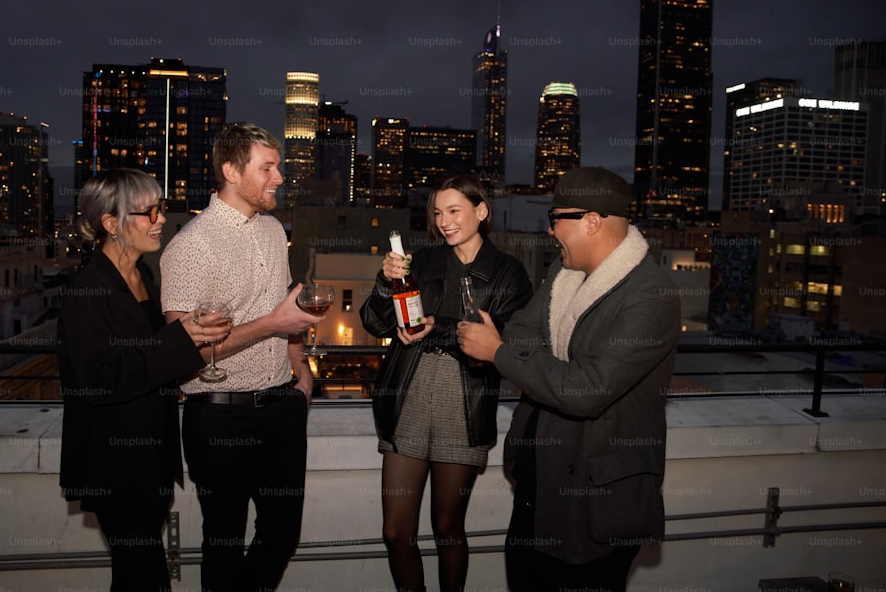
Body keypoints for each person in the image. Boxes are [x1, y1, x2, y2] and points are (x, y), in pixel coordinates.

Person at [457, 166, 681, 591]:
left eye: (556, 217)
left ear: (591, 222)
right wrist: (552, 367)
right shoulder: (563, 276)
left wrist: (500, 353)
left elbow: (585, 390)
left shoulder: (651, 295)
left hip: (595, 502)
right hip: (537, 486)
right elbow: (524, 329)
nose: (549, 230)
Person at [160, 123, 322, 592]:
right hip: (219, 417)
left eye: (278, 166)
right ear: (231, 170)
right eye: (267, 167)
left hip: (282, 409)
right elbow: (183, 354)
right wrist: (272, 325)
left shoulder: (273, 230)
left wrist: (301, 370)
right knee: (224, 541)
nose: (280, 177)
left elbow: (288, 310)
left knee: (281, 535)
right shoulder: (191, 246)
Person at [58, 168, 232, 592]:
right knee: (148, 579)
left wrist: (186, 341)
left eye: (162, 208)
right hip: (115, 467)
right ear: (111, 224)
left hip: (150, 460)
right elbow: (99, 380)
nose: (159, 219)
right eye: (148, 212)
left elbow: (153, 359)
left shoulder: (143, 278)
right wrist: (178, 340)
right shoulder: (87, 291)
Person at [360, 175, 533, 592]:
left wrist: (437, 327)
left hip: (465, 399)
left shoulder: (509, 273)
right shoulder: (423, 260)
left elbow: (511, 344)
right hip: (410, 392)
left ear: (482, 211)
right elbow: (374, 322)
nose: (445, 222)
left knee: (447, 528)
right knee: (395, 532)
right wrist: (386, 283)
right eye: (438, 213)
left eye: (454, 211)